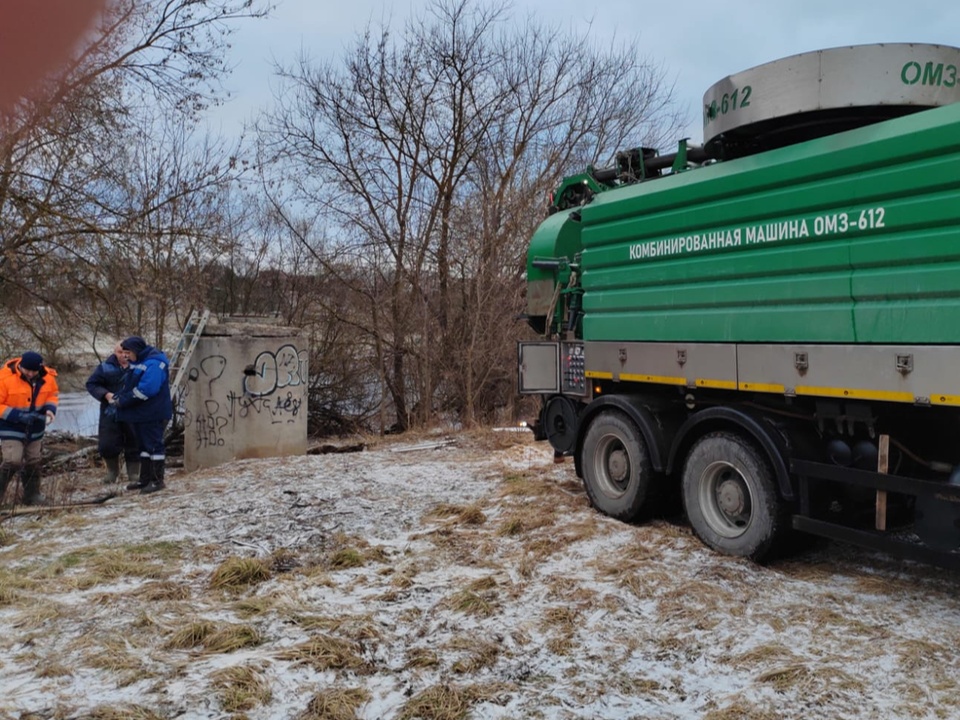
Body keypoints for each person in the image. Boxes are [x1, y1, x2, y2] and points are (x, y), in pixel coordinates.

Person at [110, 336, 172, 495]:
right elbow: (131, 383)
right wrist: (120, 396)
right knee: (144, 446)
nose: (125, 356)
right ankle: (145, 479)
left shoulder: (154, 363)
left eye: (127, 352)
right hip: (142, 413)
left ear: (135, 351)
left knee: (153, 445)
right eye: (123, 352)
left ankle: (157, 480)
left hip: (153, 412)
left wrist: (124, 400)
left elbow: (147, 390)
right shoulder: (140, 361)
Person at [0, 351, 59, 505]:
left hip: (36, 426)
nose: (31, 374)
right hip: (10, 425)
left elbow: (52, 395)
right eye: (28, 371)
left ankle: (32, 495)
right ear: (20, 366)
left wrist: (50, 410)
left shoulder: (48, 377)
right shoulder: (4, 378)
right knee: (12, 460)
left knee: (33, 460)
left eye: (34, 371)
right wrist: (17, 415)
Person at [85, 342, 140, 485]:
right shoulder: (104, 368)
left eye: (126, 352)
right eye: (120, 352)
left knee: (134, 441)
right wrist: (105, 394)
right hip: (110, 412)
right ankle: (112, 472)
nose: (123, 355)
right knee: (107, 443)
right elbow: (91, 384)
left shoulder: (139, 366)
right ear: (115, 353)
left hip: (132, 410)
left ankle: (134, 474)